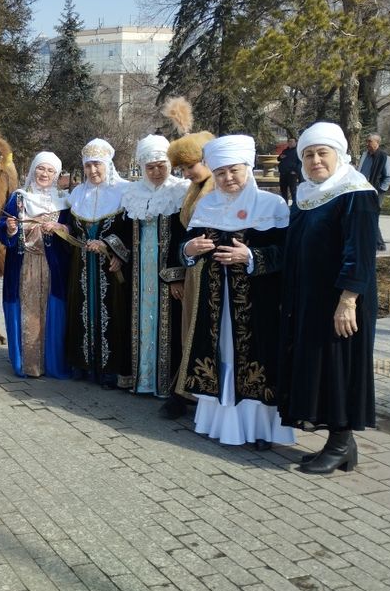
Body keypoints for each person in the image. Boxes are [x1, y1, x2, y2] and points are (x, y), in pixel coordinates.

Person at [179, 135, 295, 448]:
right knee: (219, 356)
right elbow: (184, 249)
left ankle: (260, 431)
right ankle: (220, 423)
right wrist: (189, 249)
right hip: (215, 305)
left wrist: (252, 257)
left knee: (257, 358)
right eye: (220, 173)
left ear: (248, 168)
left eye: (234, 171)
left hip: (257, 304)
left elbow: (288, 255)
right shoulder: (206, 205)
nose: (228, 178)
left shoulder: (271, 206)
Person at [278, 122, 378, 474]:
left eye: (323, 153)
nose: (315, 160)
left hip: (342, 300)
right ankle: (341, 444)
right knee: (321, 368)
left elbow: (361, 253)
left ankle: (339, 443)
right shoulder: (307, 195)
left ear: (339, 155)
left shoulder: (355, 192)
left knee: (341, 368)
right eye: (308, 154)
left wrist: (348, 300)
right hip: (310, 300)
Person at [121, 135, 189, 395]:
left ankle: (167, 385)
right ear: (142, 168)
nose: (156, 171)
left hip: (166, 275)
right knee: (137, 324)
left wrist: (175, 276)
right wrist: (116, 251)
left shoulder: (179, 191)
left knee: (170, 326)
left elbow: (184, 235)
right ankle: (141, 380)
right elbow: (124, 233)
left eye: (161, 165)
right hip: (137, 275)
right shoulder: (132, 193)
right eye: (150, 167)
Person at [0, 152, 72, 378]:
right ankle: (27, 363)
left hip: (53, 268)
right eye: (41, 169)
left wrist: (60, 228)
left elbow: (73, 232)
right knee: (25, 311)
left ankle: (51, 363)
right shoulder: (18, 198)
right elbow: (2, 225)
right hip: (22, 265)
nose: (45, 174)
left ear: (57, 175)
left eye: (50, 171)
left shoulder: (64, 201)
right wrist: (9, 228)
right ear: (33, 170)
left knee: (52, 311)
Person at [64, 139, 132, 386]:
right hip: (81, 267)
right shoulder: (77, 194)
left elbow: (132, 232)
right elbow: (72, 228)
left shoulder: (124, 192)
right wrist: (63, 228)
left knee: (112, 314)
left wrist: (113, 249)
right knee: (81, 310)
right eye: (89, 165)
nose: (93, 171)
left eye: (98, 165)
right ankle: (83, 365)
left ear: (108, 164)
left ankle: (110, 370)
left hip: (110, 269)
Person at [159, 126, 215, 418]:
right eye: (182, 168)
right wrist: (177, 274)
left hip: (213, 275)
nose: (186, 173)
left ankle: (192, 395)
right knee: (188, 334)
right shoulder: (194, 189)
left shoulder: (218, 188)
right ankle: (186, 392)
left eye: (189, 166)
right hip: (194, 272)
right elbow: (181, 235)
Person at [358, 133, 390, 250]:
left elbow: (388, 177)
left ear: (377, 143)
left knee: (372, 216)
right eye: (367, 141)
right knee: (363, 215)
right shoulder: (364, 155)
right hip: (362, 190)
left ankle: (379, 244)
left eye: (369, 141)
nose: (367, 144)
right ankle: (368, 242)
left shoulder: (385, 157)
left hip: (376, 192)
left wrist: (381, 191)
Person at [278, 137, 302, 204]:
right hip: (283, 173)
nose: (290, 143)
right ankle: (284, 205)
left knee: (293, 191)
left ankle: (295, 205)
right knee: (283, 190)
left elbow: (300, 163)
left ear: (296, 142)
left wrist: (295, 171)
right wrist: (280, 157)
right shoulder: (285, 151)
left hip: (292, 174)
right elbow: (278, 159)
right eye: (289, 142)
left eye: (292, 141)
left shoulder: (298, 151)